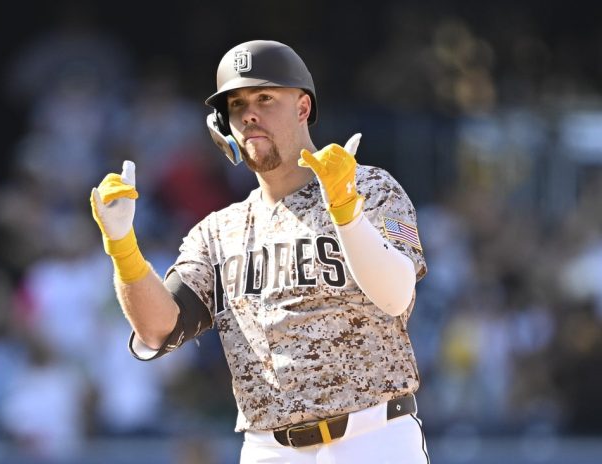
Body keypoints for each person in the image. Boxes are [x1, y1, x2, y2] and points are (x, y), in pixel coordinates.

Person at [90, 39, 429, 464]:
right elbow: (159, 328)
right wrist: (122, 245)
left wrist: (346, 210)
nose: (249, 114)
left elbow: (396, 297)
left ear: (302, 108)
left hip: (372, 437)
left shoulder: (369, 186)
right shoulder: (217, 232)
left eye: (265, 98)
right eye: (236, 104)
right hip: (269, 448)